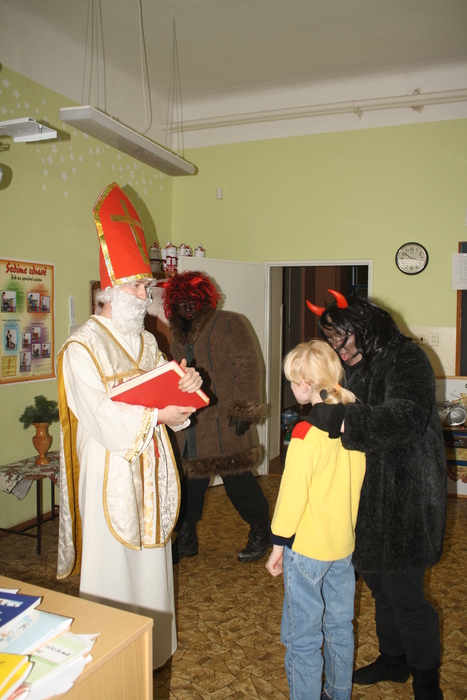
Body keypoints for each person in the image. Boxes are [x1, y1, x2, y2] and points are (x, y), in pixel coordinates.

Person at [56, 182, 202, 669]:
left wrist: (187, 387)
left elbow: (165, 391)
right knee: (114, 565)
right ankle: (112, 662)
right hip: (110, 467)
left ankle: (152, 650)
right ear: (111, 293)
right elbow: (98, 415)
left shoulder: (145, 342)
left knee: (151, 558)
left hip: (151, 465)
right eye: (138, 287)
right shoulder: (81, 348)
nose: (146, 295)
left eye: (144, 286)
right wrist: (157, 416)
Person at [307, 290, 447, 700]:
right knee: (379, 587)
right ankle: (393, 659)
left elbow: (406, 416)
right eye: (330, 338)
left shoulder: (407, 358)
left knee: (406, 597)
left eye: (342, 336)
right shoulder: (353, 366)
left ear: (365, 328)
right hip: (366, 497)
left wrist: (344, 420)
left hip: (408, 496)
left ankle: (427, 684)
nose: (337, 346)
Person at [266, 340, 366, 700]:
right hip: (342, 546)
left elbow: (291, 497)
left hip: (307, 549)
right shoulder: (356, 425)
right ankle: (338, 693)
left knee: (303, 637)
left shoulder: (306, 433)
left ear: (304, 385)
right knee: (340, 627)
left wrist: (278, 544)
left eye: (292, 381)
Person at [161, 270, 270, 563]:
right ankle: (187, 537)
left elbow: (248, 365)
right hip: (191, 423)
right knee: (189, 485)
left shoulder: (230, 322)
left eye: (192, 300)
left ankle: (262, 530)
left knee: (239, 482)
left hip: (226, 421)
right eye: (181, 302)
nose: (187, 306)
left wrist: (244, 408)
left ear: (204, 299)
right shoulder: (177, 333)